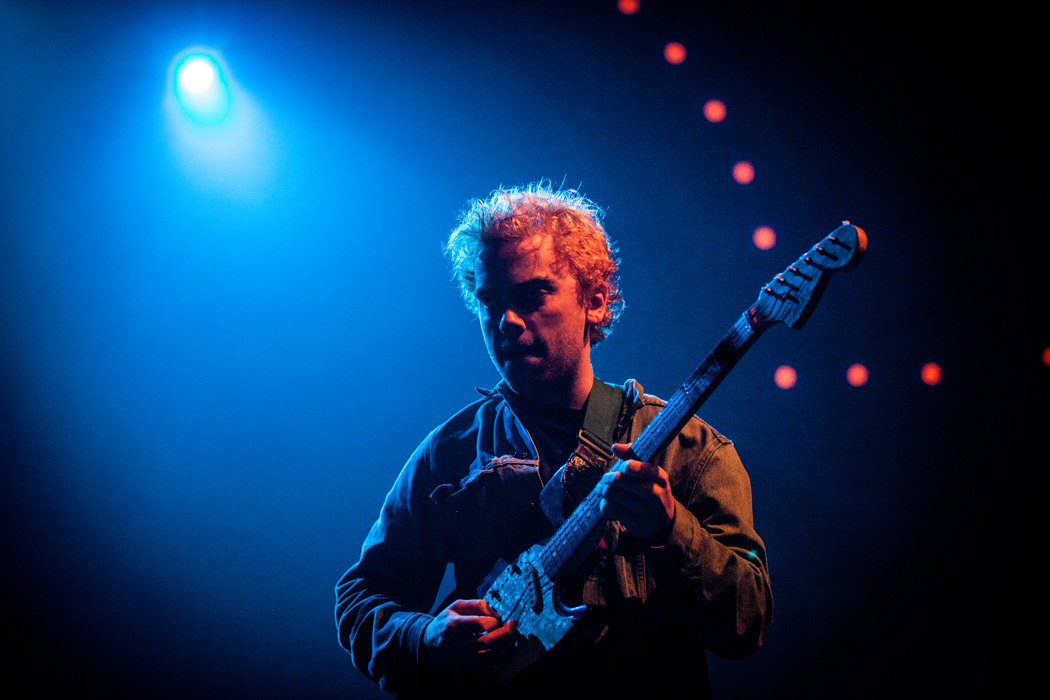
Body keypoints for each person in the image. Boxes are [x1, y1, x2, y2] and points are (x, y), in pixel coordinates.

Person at [335, 183, 772, 698]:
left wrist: (670, 529)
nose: (507, 321)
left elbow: (748, 623)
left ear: (595, 300)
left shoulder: (690, 450)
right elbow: (361, 596)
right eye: (490, 300)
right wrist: (424, 635)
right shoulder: (452, 450)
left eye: (532, 295)